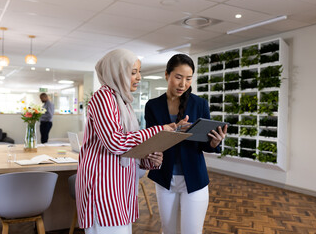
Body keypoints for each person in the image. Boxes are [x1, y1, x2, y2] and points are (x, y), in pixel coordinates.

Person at [75, 49, 176, 234]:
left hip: (120, 187)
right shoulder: (103, 97)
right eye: (133, 72)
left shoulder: (123, 102)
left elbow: (130, 146)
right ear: (117, 72)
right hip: (103, 187)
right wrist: (158, 130)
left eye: (139, 71)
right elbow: (115, 143)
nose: (139, 77)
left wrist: (149, 157)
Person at [145, 54, 228, 234]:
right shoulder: (152, 106)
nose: (183, 84)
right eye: (178, 77)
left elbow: (205, 144)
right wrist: (174, 132)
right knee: (169, 230)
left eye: (188, 79)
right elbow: (151, 142)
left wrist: (214, 142)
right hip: (164, 178)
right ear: (167, 75)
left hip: (194, 179)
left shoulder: (200, 104)